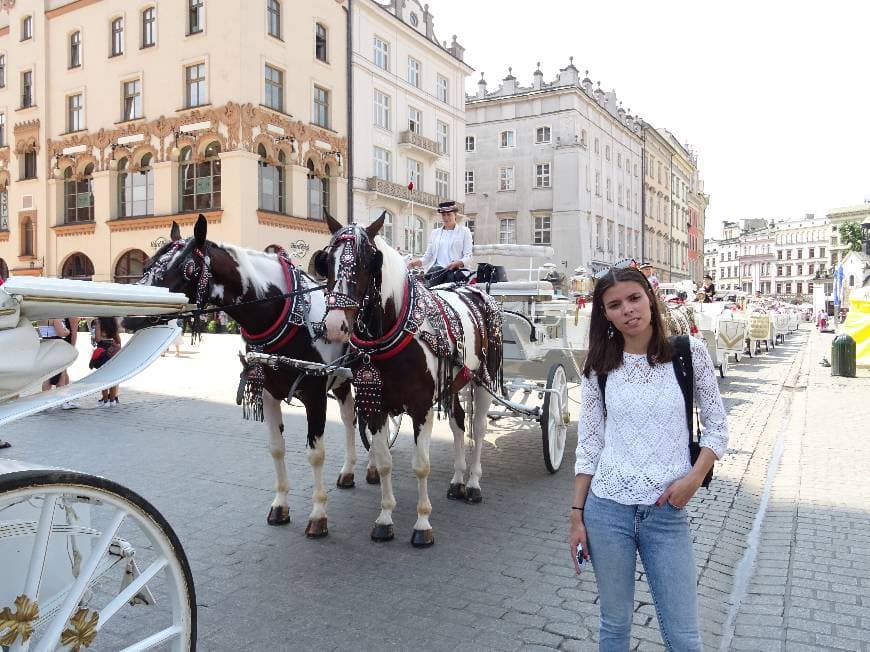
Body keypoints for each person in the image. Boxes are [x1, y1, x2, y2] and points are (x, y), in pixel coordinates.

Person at [568, 267, 729, 651]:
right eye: (615, 304)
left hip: (666, 514)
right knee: (614, 624)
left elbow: (718, 428)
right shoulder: (599, 368)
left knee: (683, 635)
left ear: (650, 299)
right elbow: (590, 444)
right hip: (606, 512)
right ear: (605, 314)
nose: (628, 310)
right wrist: (576, 515)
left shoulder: (689, 354)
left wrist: (692, 479)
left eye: (634, 298)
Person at [407, 200, 473, 285]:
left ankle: (427, 289)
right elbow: (428, 257)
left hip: (453, 273)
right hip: (435, 272)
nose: (446, 218)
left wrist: (458, 263)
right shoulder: (435, 233)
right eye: (443, 215)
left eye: (449, 215)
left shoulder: (464, 232)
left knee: (435, 272)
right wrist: (414, 263)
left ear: (455, 215)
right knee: (434, 270)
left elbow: (468, 257)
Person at [38, 317, 80, 409]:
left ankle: (44, 401)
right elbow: (61, 333)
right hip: (57, 347)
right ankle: (63, 401)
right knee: (62, 373)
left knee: (48, 375)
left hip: (46, 346)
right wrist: (67, 331)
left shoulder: (40, 319)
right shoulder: (54, 318)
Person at [91, 317, 122, 407]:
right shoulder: (112, 322)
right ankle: (112, 400)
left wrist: (97, 325)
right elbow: (118, 341)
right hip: (112, 353)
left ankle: (105, 401)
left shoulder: (99, 322)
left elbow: (97, 339)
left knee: (103, 378)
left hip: (102, 352)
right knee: (112, 378)